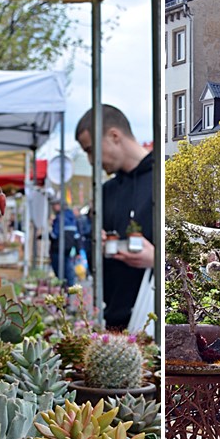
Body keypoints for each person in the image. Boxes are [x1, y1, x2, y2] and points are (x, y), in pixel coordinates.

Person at [75, 104, 154, 329]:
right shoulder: (105, 191)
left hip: (152, 318)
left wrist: (156, 259)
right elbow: (95, 265)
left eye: (90, 150)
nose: (91, 160)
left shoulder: (161, 178)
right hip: (114, 320)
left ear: (114, 136)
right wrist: (97, 245)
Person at [49, 199, 80, 287]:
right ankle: (70, 290)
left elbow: (54, 235)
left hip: (57, 249)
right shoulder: (72, 217)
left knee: (59, 272)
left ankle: (63, 289)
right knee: (68, 270)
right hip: (68, 249)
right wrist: (78, 250)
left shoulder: (60, 217)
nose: (53, 207)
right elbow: (76, 236)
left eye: (54, 205)